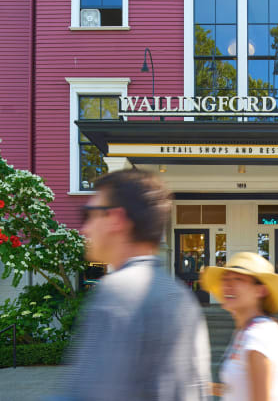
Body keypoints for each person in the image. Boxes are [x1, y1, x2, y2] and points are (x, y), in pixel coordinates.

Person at [50, 169, 211, 401]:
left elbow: (89, 394)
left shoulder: (117, 292)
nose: (85, 229)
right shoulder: (180, 296)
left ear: (116, 219)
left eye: (89, 215)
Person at [200, 252, 278, 401]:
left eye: (238, 279)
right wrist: (204, 387)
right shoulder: (246, 331)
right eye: (225, 279)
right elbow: (239, 387)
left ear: (260, 290)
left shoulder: (260, 334)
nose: (227, 285)